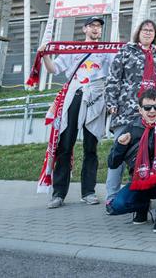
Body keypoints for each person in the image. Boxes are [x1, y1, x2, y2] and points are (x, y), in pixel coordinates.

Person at [40, 16, 113, 209]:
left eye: (98, 26)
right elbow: (54, 69)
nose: (96, 29)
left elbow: (117, 67)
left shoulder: (107, 51)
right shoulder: (72, 49)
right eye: (92, 26)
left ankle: (88, 191)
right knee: (66, 144)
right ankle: (58, 193)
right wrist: (44, 55)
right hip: (75, 95)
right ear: (84, 29)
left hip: (97, 96)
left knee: (91, 147)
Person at [104, 19, 156, 204]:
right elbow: (113, 78)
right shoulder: (126, 52)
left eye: (151, 30)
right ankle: (111, 196)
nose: (148, 33)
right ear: (138, 32)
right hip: (127, 110)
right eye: (145, 29)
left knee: (145, 155)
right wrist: (111, 103)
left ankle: (142, 196)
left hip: (150, 114)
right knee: (118, 152)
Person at [106, 89, 156, 232]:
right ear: (140, 110)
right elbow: (112, 163)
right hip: (140, 181)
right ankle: (142, 206)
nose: (152, 111)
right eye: (147, 107)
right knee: (116, 206)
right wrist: (120, 146)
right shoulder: (132, 128)